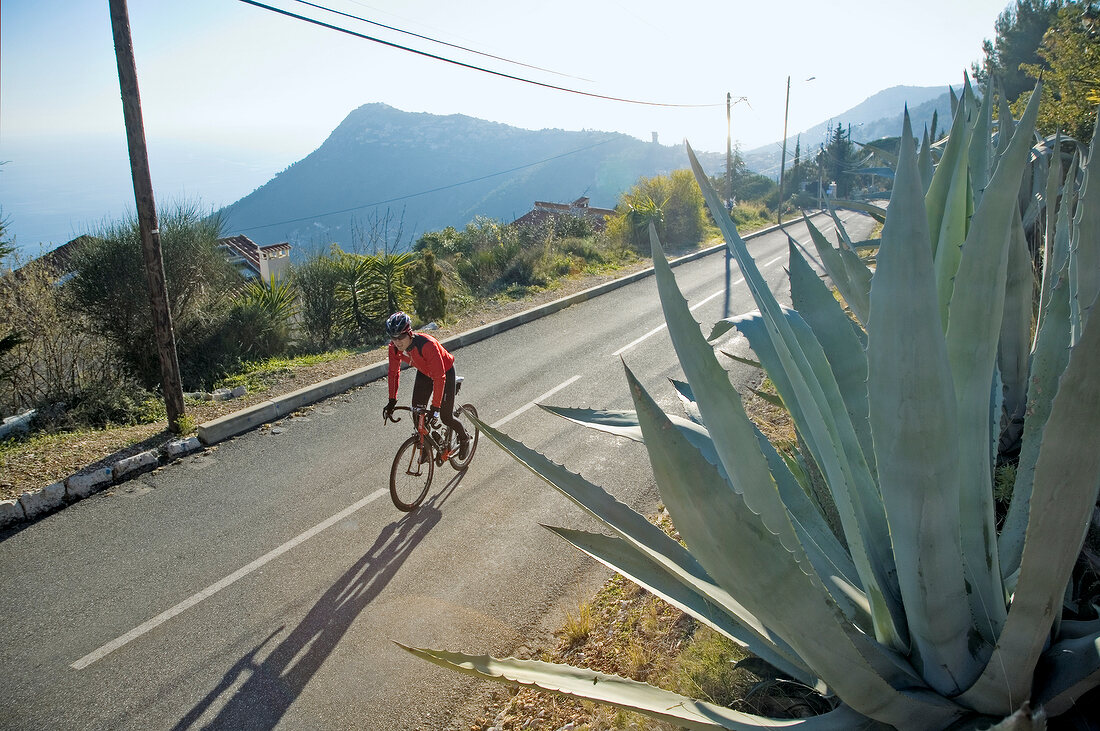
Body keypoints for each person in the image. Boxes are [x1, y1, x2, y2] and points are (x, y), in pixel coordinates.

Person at [382, 311, 470, 459]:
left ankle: (464, 438)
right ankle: (426, 448)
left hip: (444, 372)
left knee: (445, 417)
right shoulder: (394, 348)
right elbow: (393, 373)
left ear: (409, 333)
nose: (397, 342)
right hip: (424, 372)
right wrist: (392, 400)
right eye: (393, 337)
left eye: (401, 337)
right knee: (418, 413)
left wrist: (435, 408)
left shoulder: (427, 345)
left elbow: (439, 378)